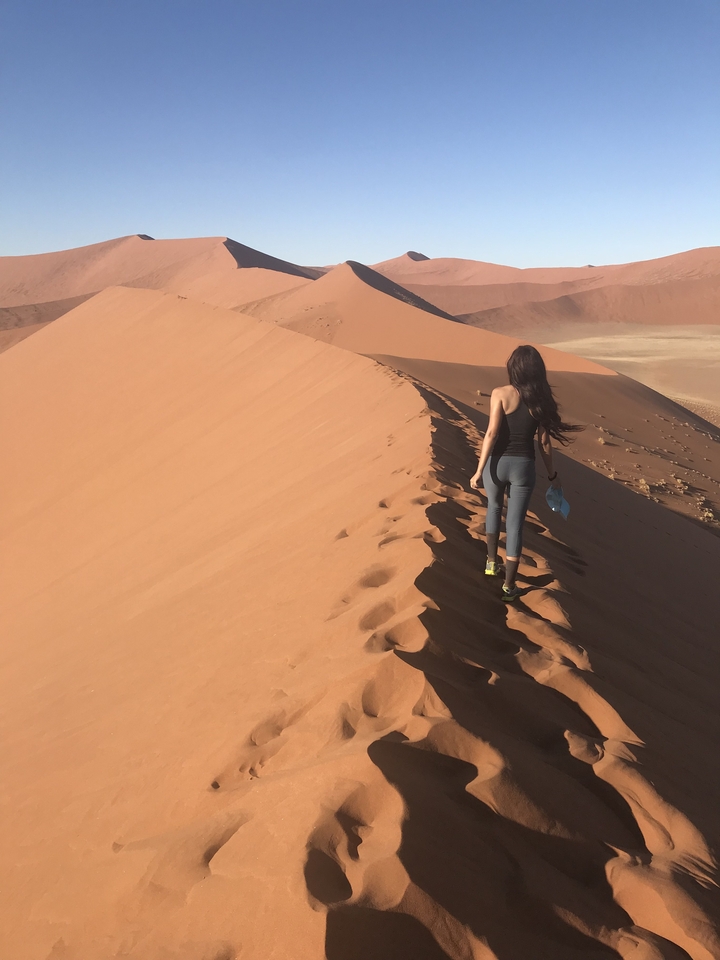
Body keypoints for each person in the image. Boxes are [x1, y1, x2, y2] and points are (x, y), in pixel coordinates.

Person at [470, 345, 581, 602]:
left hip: (496, 464)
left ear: (514, 368)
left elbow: (492, 434)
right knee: (515, 525)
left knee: (494, 509)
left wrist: (478, 470)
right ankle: (509, 587)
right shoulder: (541, 401)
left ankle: (490, 562)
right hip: (524, 468)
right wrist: (553, 475)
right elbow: (544, 443)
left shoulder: (500, 393)